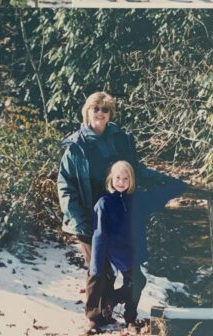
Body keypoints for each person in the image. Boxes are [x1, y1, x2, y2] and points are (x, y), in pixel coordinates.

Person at [57, 91, 169, 270]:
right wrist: (78, 221)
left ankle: (116, 298)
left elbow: (136, 170)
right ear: (87, 111)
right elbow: (65, 186)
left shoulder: (121, 139)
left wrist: (167, 181)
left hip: (118, 214)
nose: (100, 113)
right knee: (98, 274)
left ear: (111, 114)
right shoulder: (76, 147)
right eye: (96, 108)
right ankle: (98, 298)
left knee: (131, 274)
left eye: (105, 109)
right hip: (88, 218)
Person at [86, 160, 188, 332]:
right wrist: (96, 264)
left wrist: (180, 186)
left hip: (133, 250)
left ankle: (123, 311)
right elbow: (99, 234)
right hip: (117, 251)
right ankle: (127, 315)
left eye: (126, 179)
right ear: (111, 179)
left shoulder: (138, 199)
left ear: (132, 180)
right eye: (118, 178)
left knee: (136, 282)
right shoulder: (104, 203)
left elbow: (160, 194)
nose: (121, 182)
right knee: (138, 280)